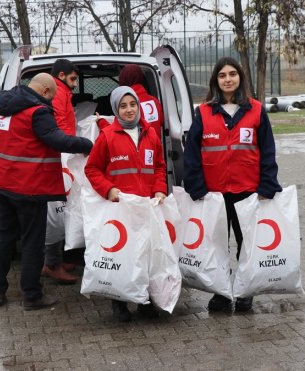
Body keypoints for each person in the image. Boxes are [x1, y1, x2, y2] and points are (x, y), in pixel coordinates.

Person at [183, 57, 282, 313]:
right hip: (213, 194)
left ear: (240, 77)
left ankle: (245, 291)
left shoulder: (257, 110)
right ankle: (223, 293)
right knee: (216, 246)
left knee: (246, 244)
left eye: (232, 74)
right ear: (216, 80)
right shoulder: (203, 112)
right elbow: (192, 152)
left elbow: (267, 150)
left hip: (248, 193)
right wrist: (196, 187)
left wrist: (267, 184)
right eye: (222, 75)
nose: (228, 79)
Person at [0, 72, 93, 311]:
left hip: (1, 185)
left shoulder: (0, 106)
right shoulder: (37, 111)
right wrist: (87, 144)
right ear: (45, 91)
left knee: (5, 237)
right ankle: (32, 295)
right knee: (32, 241)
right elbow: (57, 140)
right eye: (51, 97)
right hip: (29, 187)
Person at [84, 86, 167, 322]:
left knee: (147, 255)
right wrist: (108, 189)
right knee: (123, 256)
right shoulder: (108, 136)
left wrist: (160, 190)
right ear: (115, 109)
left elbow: (160, 166)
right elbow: (92, 168)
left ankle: (145, 301)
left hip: (147, 207)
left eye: (133, 104)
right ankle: (119, 303)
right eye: (123, 106)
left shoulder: (150, 134)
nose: (129, 110)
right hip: (120, 208)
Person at [41, 59, 81, 284]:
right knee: (56, 213)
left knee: (61, 211)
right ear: (62, 75)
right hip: (60, 155)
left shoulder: (63, 93)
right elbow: (55, 127)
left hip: (64, 154)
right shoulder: (57, 93)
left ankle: (56, 260)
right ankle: (52, 264)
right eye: (73, 79)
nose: (76, 84)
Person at [115, 64, 164, 140]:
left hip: (136, 150)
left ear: (124, 79)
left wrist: (100, 122)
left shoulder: (127, 104)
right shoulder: (155, 101)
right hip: (155, 149)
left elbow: (116, 131)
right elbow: (160, 122)